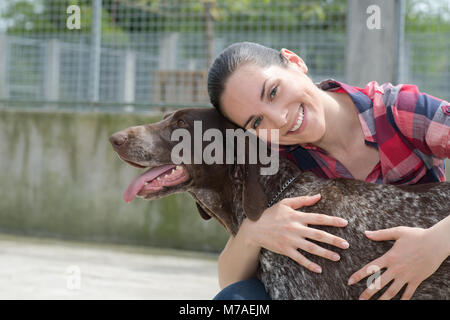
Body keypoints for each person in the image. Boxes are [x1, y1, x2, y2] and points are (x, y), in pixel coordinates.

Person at [207, 42, 450, 300]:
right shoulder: (277, 162)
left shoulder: (398, 110)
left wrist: (435, 243)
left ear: (295, 62)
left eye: (273, 92)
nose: (279, 119)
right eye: (257, 121)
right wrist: (252, 233)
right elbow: (230, 283)